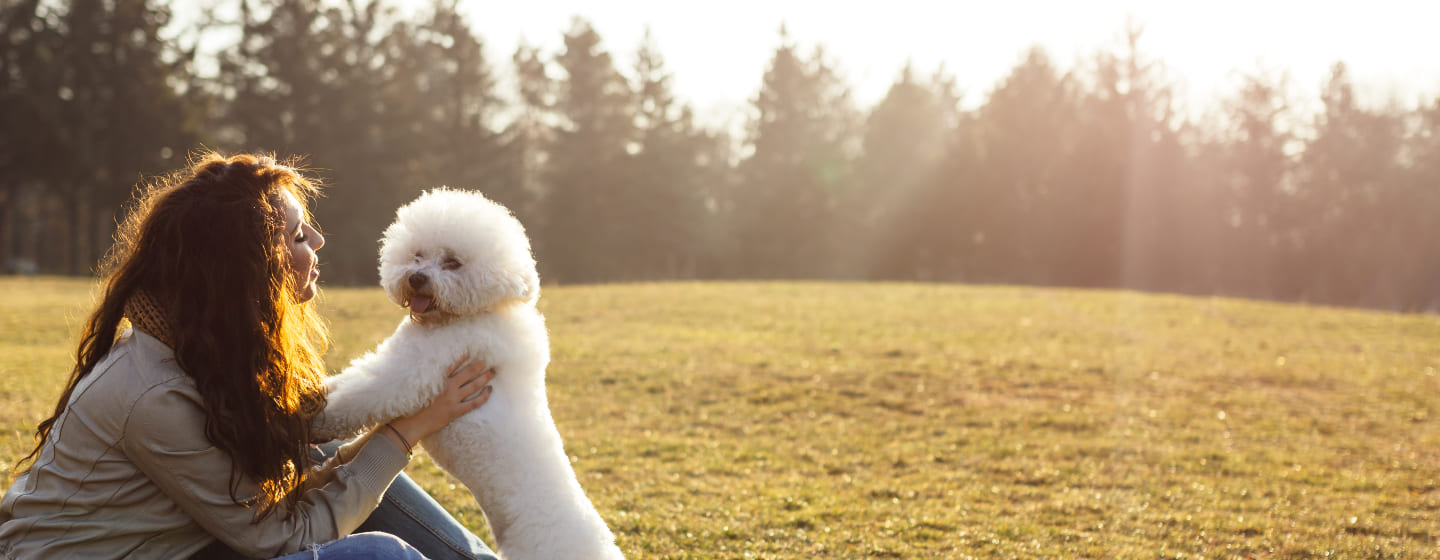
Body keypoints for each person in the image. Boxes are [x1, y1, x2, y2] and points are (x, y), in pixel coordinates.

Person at [0, 153, 499, 559]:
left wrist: (395, 418)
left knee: (310, 444)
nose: (319, 242)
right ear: (247, 271)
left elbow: (307, 444)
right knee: (382, 557)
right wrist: (404, 431)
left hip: (184, 544)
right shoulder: (155, 396)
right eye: (300, 236)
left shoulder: (207, 350)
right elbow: (281, 537)